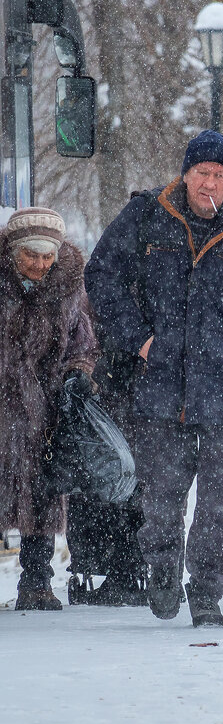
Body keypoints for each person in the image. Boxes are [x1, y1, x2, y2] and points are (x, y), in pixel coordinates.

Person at [85, 130, 223, 627]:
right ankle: (162, 568)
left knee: (219, 497)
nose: (209, 183)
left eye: (219, 175)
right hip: (160, 381)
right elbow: (102, 274)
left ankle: (205, 591)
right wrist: (139, 339)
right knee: (161, 491)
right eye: (202, 172)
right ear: (185, 174)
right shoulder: (146, 215)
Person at [0, 207, 98, 610]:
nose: (40, 265)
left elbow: (82, 341)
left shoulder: (69, 288)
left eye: (47, 256)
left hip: (44, 409)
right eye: (31, 256)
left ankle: (37, 581)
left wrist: (78, 374)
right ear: (13, 252)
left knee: (41, 492)